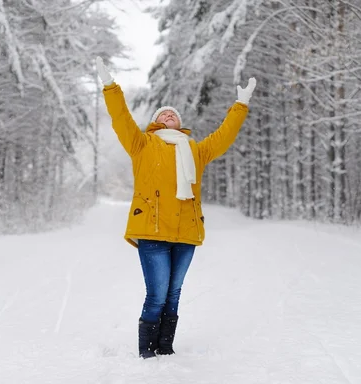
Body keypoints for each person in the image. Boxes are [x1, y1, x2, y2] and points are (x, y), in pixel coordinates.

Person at [95, 57, 256, 359]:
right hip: (152, 230)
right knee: (156, 295)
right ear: (157, 121)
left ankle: (166, 347)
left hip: (185, 231)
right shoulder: (142, 144)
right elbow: (121, 118)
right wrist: (110, 86)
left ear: (180, 123)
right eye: (163, 113)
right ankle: (146, 352)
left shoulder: (195, 150)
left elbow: (224, 136)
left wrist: (241, 104)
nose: (169, 114)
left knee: (174, 293)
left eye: (173, 114)